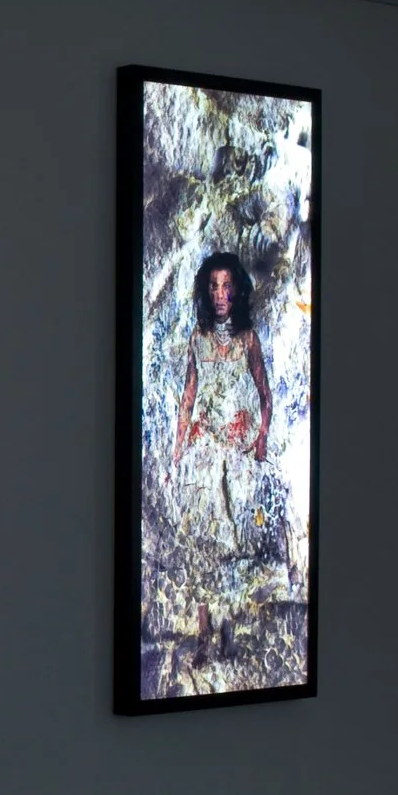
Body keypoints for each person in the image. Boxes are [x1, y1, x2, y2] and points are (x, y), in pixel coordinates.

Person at [169, 251, 274, 662]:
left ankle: (228, 629)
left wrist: (259, 439)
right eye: (213, 286)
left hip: (235, 456)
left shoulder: (248, 340)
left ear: (237, 292)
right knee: (200, 543)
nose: (219, 294)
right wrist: (178, 451)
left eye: (226, 286)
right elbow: (188, 398)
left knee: (229, 546)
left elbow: (265, 395)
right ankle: (203, 634)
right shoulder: (197, 339)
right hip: (202, 455)